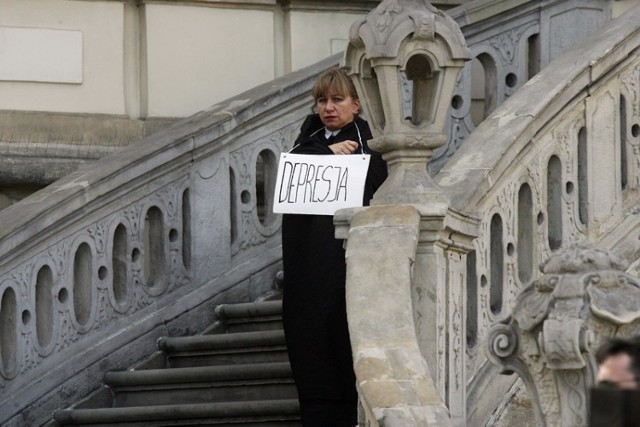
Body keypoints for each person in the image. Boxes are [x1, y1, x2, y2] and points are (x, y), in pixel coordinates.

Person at [281, 68, 387, 426]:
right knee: (308, 342)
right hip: (305, 267)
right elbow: (294, 165)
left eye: (337, 99)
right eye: (322, 100)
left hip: (343, 265)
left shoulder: (368, 142)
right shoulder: (308, 140)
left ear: (356, 105)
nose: (328, 107)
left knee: (341, 339)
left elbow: (375, 181)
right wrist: (326, 152)